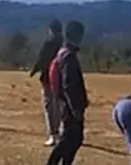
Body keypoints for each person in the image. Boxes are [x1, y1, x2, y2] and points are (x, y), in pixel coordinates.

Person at [46, 20, 88, 165]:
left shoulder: (63, 53)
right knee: (70, 140)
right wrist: (75, 108)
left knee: (72, 140)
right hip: (70, 106)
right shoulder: (69, 57)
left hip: (66, 104)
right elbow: (69, 85)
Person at [30, 18, 65, 145]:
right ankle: (62, 132)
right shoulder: (65, 43)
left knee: (50, 106)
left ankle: (53, 134)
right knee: (60, 106)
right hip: (62, 79)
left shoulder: (49, 43)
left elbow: (42, 59)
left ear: (50, 30)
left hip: (48, 79)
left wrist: (34, 70)